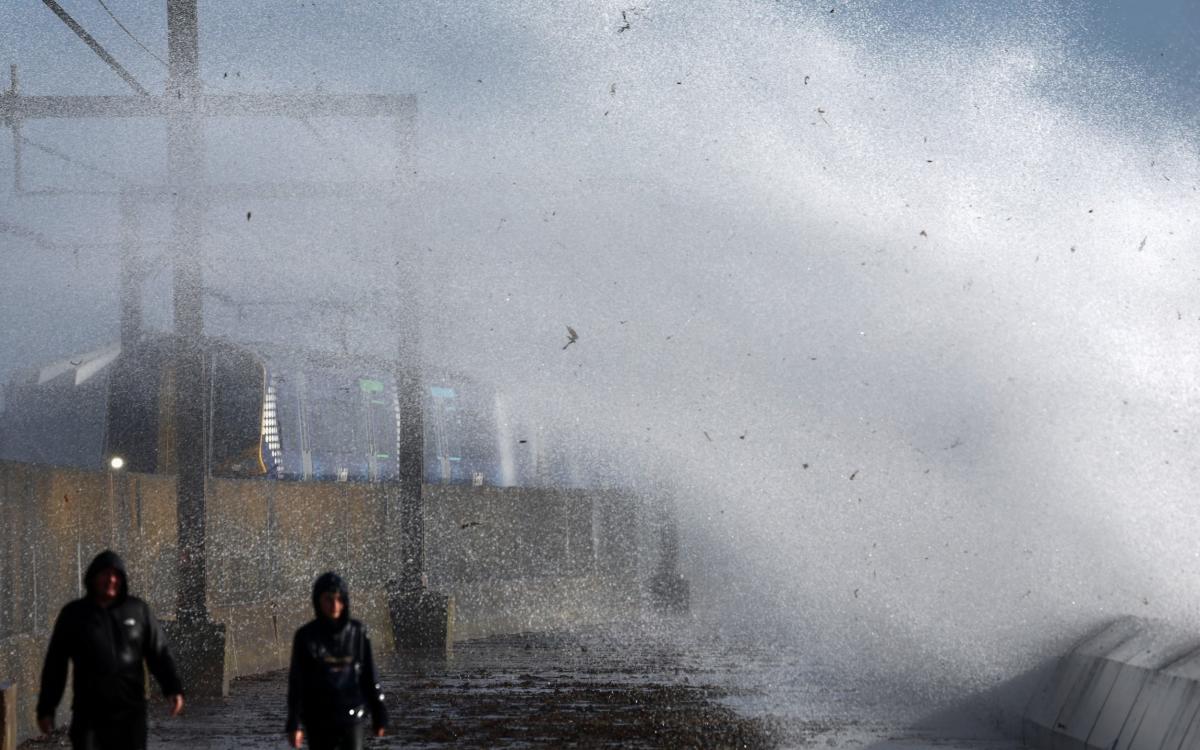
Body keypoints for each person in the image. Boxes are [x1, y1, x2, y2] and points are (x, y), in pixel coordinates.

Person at [36, 549, 185, 750]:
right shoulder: (74, 614)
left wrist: (172, 688)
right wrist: (47, 707)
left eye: (116, 575)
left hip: (130, 713)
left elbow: (158, 653)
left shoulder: (138, 610)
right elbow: (56, 664)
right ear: (92, 577)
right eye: (105, 574)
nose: (111, 580)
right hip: (88, 713)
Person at [286, 572, 388, 749]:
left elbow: (370, 677)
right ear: (318, 600)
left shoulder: (358, 632)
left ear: (345, 601)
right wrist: (294, 724)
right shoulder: (306, 636)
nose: (334, 605)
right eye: (328, 599)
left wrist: (380, 714)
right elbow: (297, 683)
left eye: (339, 599)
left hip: (353, 715)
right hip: (318, 718)